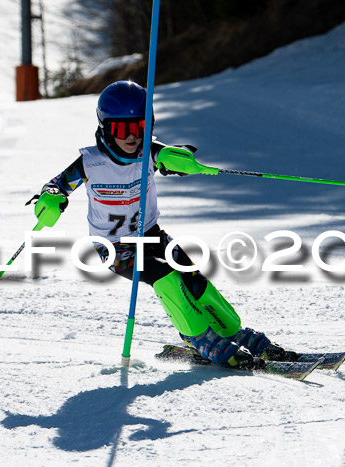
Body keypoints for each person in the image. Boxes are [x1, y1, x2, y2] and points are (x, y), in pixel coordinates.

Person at [29, 80, 297, 369]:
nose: (132, 137)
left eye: (140, 127)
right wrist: (52, 198)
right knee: (165, 276)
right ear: (106, 128)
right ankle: (198, 337)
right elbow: (57, 185)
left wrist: (181, 159)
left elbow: (169, 156)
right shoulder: (90, 162)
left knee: (194, 279)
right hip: (115, 247)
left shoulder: (150, 153)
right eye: (122, 129)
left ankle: (232, 331)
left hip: (151, 234)